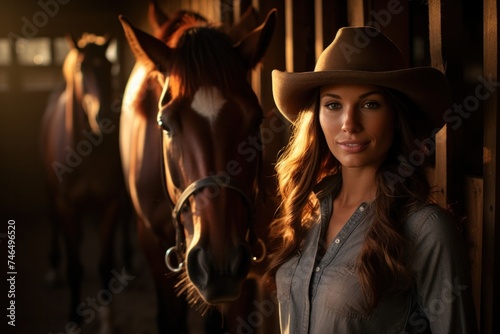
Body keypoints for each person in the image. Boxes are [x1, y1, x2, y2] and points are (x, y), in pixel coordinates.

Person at [266, 26, 478, 333]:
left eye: (370, 104)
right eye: (334, 105)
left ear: (396, 115)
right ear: (317, 115)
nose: (349, 124)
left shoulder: (426, 230)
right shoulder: (308, 213)